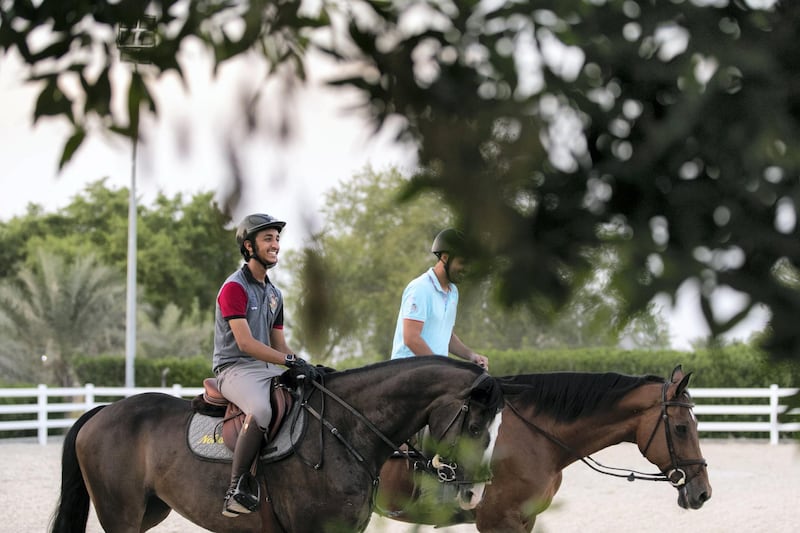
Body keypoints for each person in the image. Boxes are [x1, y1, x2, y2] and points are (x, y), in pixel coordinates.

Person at [213, 213, 317, 518]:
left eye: (277, 239)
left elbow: (279, 346)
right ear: (249, 246)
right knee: (260, 411)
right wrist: (288, 361)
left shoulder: (275, 294)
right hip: (234, 368)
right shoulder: (234, 288)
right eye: (268, 239)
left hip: (264, 367)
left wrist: (303, 364)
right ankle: (236, 488)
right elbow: (245, 343)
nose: (275, 245)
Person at [391, 228, 489, 370]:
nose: (467, 269)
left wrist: (471, 356)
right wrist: (441, 369)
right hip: (407, 374)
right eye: (462, 262)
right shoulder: (420, 288)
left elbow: (445, 335)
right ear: (444, 257)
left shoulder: (453, 292)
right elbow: (411, 338)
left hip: (434, 376)